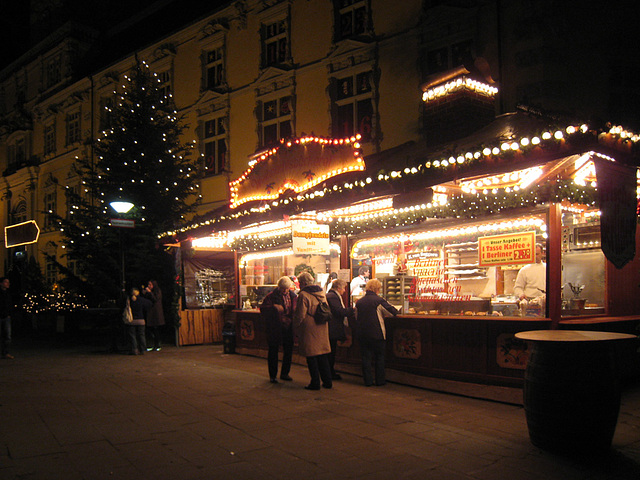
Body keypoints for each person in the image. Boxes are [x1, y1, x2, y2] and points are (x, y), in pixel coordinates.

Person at [354, 278, 399, 386]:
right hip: (377, 333)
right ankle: (380, 380)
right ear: (377, 289)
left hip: (362, 334)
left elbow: (356, 317)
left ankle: (368, 381)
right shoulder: (379, 301)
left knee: (366, 358)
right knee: (379, 357)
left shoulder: (359, 302)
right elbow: (393, 312)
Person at [293, 272, 332, 390]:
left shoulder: (304, 295)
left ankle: (315, 382)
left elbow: (300, 315)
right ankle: (327, 381)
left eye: (300, 283)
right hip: (322, 326)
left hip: (310, 328)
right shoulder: (321, 292)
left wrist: (295, 327)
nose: (299, 285)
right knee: (322, 356)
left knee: (311, 357)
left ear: (303, 283)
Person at [259, 276, 297, 383]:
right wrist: (274, 308)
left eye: (286, 289)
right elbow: (263, 310)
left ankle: (285, 373)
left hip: (288, 327)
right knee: (273, 351)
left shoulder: (293, 296)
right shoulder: (271, 297)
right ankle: (273, 375)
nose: (284, 291)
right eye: (282, 289)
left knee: (288, 351)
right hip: (275, 328)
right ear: (278, 287)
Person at [326, 279, 353, 380]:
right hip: (332, 328)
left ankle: (330, 372)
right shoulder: (332, 296)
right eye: (344, 288)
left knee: (331, 351)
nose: (344, 291)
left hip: (332, 328)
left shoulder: (331, 295)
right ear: (338, 288)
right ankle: (329, 373)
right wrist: (351, 310)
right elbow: (339, 311)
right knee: (331, 352)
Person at [127, 287, 152, 355]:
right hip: (141, 320)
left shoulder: (129, 300)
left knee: (132, 335)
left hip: (132, 320)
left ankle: (134, 349)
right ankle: (142, 349)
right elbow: (149, 303)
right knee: (141, 335)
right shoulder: (141, 300)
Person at [143, 279, 165, 351]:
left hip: (156, 313)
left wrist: (149, 293)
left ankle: (157, 344)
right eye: (148, 284)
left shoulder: (157, 291)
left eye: (150, 285)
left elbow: (155, 299)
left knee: (156, 329)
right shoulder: (150, 292)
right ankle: (153, 344)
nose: (149, 286)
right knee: (151, 328)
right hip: (150, 312)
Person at [0, 277, 14, 359]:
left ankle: (5, 352)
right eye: (5, 282)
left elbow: (9, 305)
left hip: (6, 317)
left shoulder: (8, 294)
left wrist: (9, 314)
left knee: (7, 336)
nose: (7, 284)